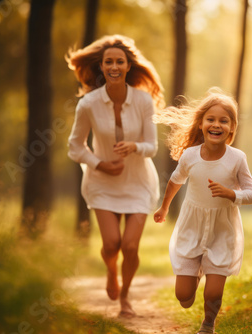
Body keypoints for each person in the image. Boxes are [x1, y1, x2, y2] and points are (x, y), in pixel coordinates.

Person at [66, 35, 164, 317]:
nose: (114, 66)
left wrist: (134, 146)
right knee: (111, 244)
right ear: (102, 66)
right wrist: (99, 164)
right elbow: (75, 146)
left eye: (119, 61)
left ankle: (125, 298)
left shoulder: (144, 101)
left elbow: (152, 147)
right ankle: (112, 272)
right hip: (102, 183)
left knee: (130, 246)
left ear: (128, 66)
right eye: (108, 61)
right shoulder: (88, 104)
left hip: (139, 183)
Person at [153, 88, 252, 334]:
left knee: (213, 293)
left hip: (222, 231)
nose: (216, 125)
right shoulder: (190, 156)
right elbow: (175, 181)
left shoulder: (237, 158)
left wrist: (233, 194)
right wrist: (164, 207)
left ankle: (208, 325)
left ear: (232, 128)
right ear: (201, 124)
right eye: (211, 119)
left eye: (224, 121)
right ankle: (196, 273)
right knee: (184, 296)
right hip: (192, 227)